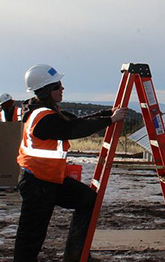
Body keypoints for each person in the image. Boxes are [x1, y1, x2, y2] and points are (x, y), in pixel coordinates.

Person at [13, 64, 126, 262]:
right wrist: (110, 120)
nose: (62, 89)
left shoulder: (47, 110)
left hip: (49, 180)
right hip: (37, 184)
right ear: (47, 90)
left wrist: (108, 114)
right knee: (31, 237)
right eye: (58, 86)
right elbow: (74, 129)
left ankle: (76, 254)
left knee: (87, 199)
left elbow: (76, 121)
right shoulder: (43, 118)